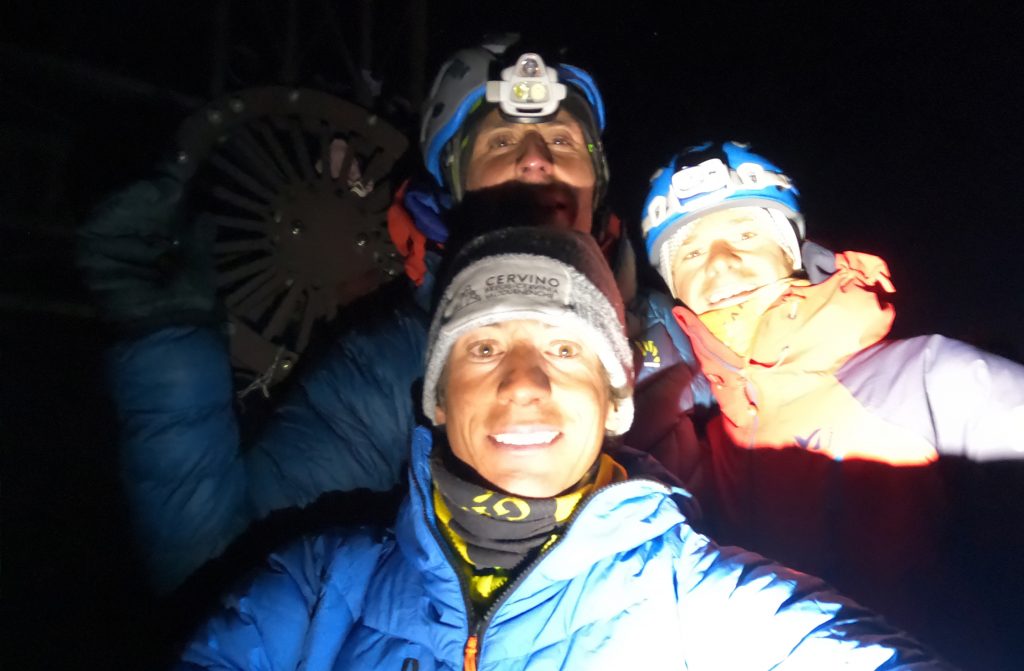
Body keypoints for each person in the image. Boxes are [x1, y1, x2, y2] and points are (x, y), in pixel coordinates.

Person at [80, 40, 709, 594]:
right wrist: (168, 347)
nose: (537, 158)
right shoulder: (387, 368)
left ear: (595, 185)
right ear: (452, 184)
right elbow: (217, 571)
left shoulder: (676, 332)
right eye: (502, 140)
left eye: (563, 140)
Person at [175, 225, 951, 671]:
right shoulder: (315, 583)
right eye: (482, 349)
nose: (522, 382)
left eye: (566, 349)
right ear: (437, 398)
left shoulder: (698, 600)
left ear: (616, 400)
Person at [639, 139, 1024, 657]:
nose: (722, 262)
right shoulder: (694, 443)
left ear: (793, 254)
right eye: (689, 251)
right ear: (675, 289)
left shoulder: (926, 380)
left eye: (748, 234)